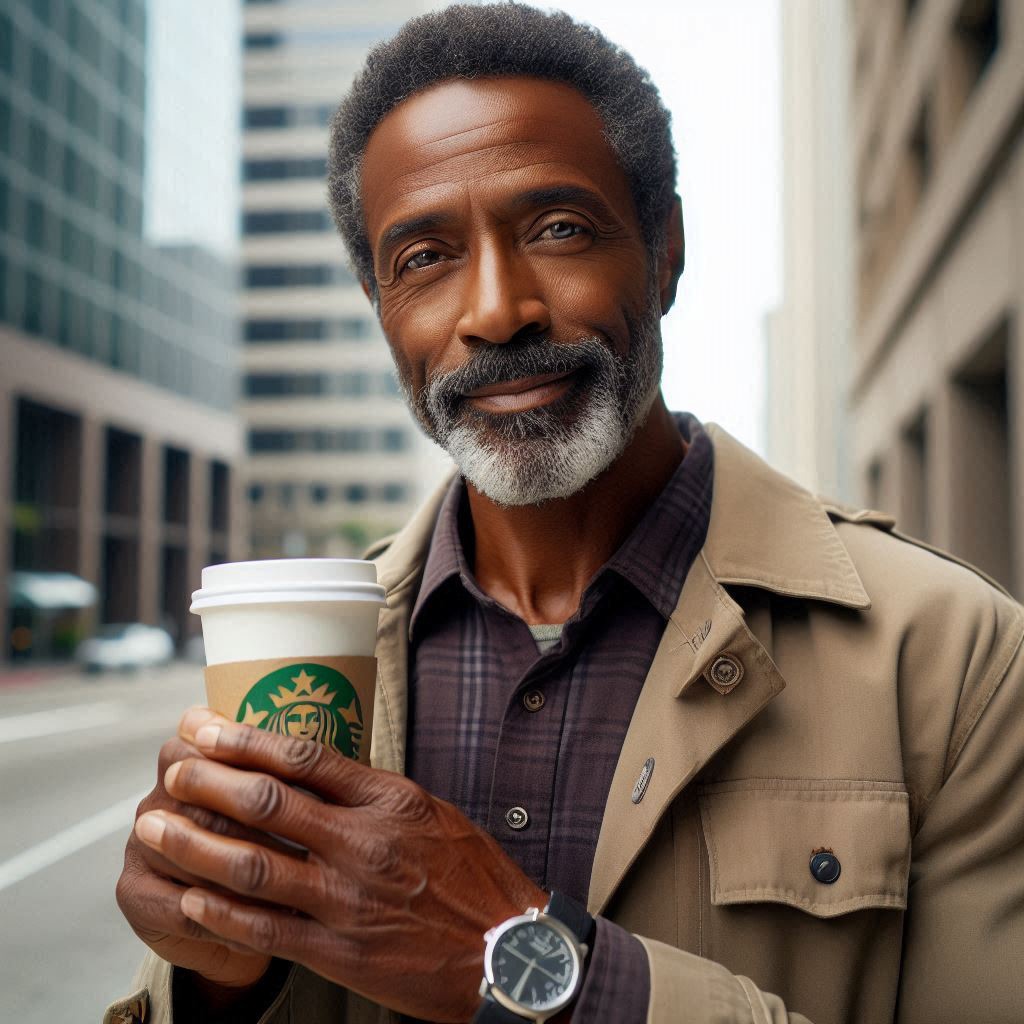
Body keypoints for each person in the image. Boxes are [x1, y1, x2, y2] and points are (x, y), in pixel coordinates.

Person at [105, 5, 1024, 1023]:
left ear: (665, 251)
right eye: (424, 258)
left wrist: (528, 964)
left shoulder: (954, 659)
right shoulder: (318, 655)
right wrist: (213, 978)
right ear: (379, 307)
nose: (497, 311)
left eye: (557, 230)